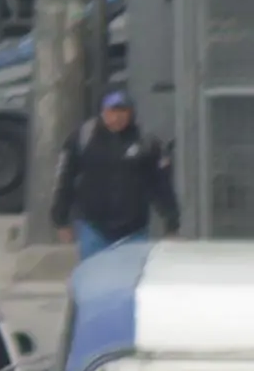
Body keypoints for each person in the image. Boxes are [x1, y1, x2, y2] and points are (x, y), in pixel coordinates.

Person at [56, 86, 184, 258]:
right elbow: (65, 178)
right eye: (111, 111)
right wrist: (60, 219)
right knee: (94, 279)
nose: (117, 117)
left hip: (134, 230)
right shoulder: (82, 139)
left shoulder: (147, 143)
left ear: (131, 113)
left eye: (122, 111)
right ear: (102, 112)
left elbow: (161, 185)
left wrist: (171, 223)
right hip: (93, 227)